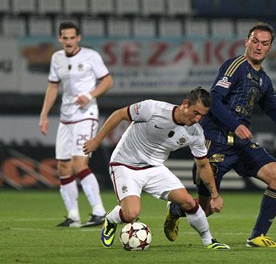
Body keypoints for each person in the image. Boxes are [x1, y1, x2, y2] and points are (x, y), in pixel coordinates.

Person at [164, 22, 276, 248]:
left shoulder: (263, 80)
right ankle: (176, 209)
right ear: (246, 42)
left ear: (270, 48)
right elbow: (215, 99)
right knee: (206, 209)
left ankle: (257, 236)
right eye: (255, 41)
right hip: (214, 142)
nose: (259, 47)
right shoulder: (234, 66)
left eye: (264, 43)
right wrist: (235, 124)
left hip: (241, 144)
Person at [83, 87, 230, 250]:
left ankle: (209, 241)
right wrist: (96, 140)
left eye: (202, 115)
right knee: (131, 214)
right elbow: (119, 114)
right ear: (185, 104)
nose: (197, 118)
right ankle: (111, 219)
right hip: (125, 165)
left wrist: (215, 195)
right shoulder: (152, 108)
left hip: (155, 168)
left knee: (188, 202)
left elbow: (203, 165)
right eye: (195, 112)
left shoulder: (195, 133)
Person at [39, 22, 113, 227]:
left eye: (72, 37)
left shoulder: (91, 56)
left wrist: (90, 96)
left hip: (86, 115)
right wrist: (44, 114)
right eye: (65, 38)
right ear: (60, 39)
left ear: (78, 38)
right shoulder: (57, 58)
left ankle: (99, 212)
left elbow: (107, 81)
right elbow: (53, 86)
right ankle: (73, 216)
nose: (69, 41)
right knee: (63, 167)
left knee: (79, 164)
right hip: (65, 118)